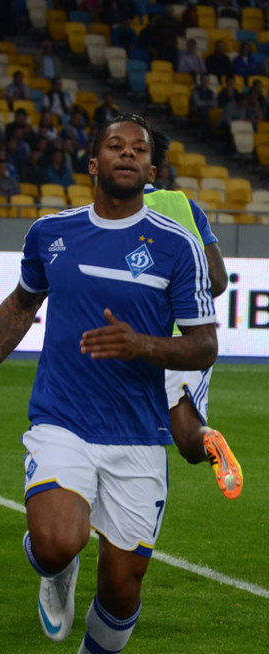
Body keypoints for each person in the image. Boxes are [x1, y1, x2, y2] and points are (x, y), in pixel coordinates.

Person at [0, 114, 218, 654]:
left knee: (122, 588)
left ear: (152, 170)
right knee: (56, 543)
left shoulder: (176, 245)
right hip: (63, 417)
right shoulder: (52, 233)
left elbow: (204, 344)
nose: (128, 155)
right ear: (93, 162)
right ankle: (55, 568)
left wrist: (143, 345)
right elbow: (22, 304)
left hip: (138, 434)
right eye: (115, 146)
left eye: (139, 150)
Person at [144, 130, 242, 500]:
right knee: (187, 438)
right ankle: (208, 440)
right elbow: (217, 281)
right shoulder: (185, 207)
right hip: (185, 336)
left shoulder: (104, 212)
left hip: (126, 340)